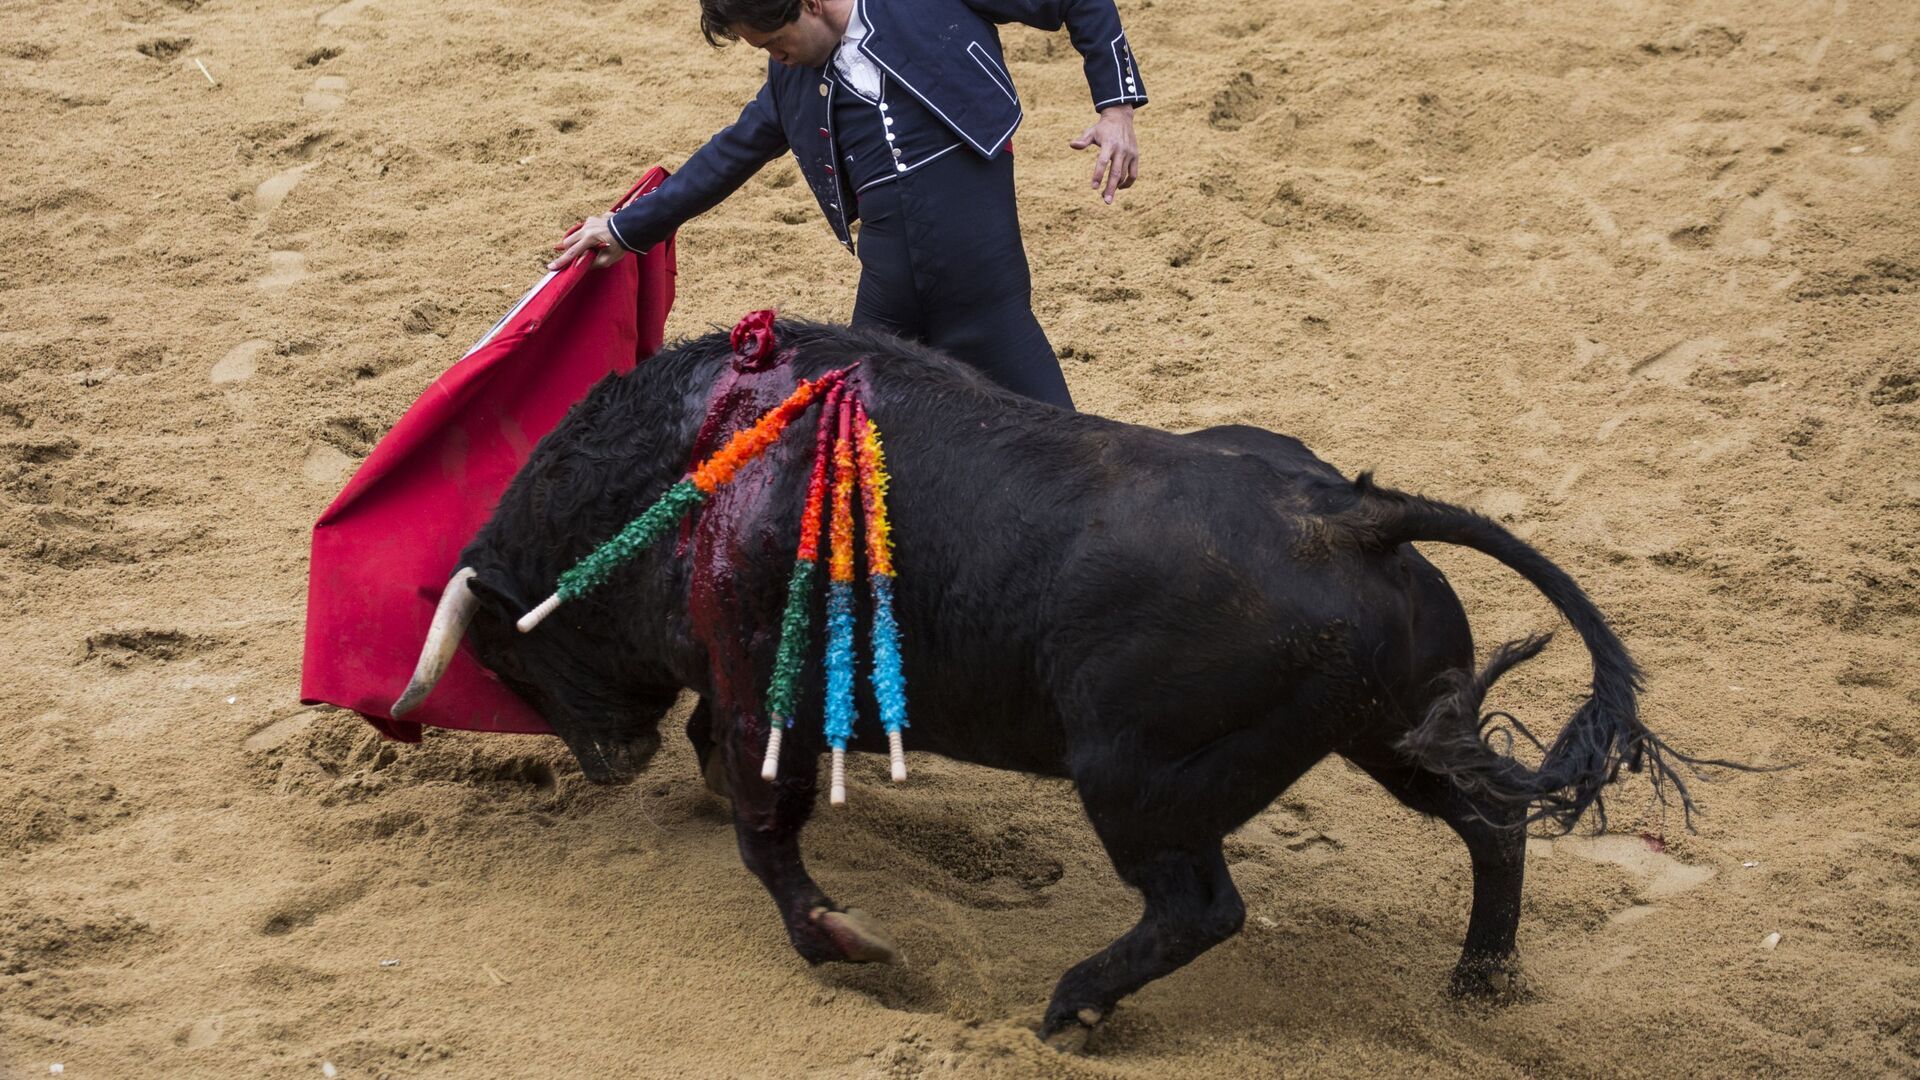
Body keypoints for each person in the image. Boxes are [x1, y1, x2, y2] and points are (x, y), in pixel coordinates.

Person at [548, 0, 1147, 409]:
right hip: (892, 299)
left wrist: (1115, 108)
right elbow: (729, 155)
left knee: (1061, 447)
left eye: (778, 44)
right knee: (846, 437)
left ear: (810, 3)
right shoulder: (790, 80)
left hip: (984, 291)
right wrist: (626, 228)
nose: (777, 59)